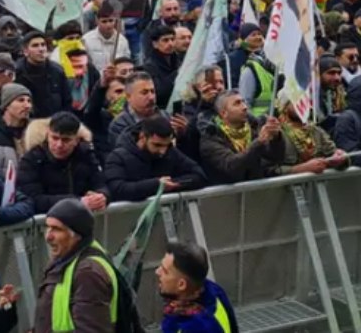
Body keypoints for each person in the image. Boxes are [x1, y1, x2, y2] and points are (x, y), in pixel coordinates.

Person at [34, 199, 136, 333]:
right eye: (47, 227)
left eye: (57, 229)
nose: (48, 236)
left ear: (77, 235)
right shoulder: (67, 259)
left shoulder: (87, 273)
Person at [18, 112, 109, 212]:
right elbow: (33, 199)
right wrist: (77, 202)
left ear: (76, 140)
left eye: (66, 140)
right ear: (47, 135)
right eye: (54, 138)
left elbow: (101, 183)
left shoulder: (86, 155)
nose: (59, 145)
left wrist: (101, 196)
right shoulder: (31, 160)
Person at [106, 115, 207, 202]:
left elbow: (198, 175)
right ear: (143, 137)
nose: (162, 151)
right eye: (157, 145)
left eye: (166, 145)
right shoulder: (118, 157)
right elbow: (117, 189)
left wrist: (173, 184)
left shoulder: (170, 152)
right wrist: (155, 185)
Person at [198, 90, 285, 184]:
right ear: (224, 113)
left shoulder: (253, 127)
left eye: (243, 102)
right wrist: (259, 142)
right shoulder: (211, 138)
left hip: (256, 190)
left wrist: (276, 138)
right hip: (227, 195)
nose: (245, 107)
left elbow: (275, 157)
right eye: (237, 104)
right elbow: (232, 167)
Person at [156, 241, 238, 333]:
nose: (157, 272)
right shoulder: (213, 291)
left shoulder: (196, 327)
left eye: (165, 271)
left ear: (181, 285)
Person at [16, 31, 70, 119]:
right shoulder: (17, 73)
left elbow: (67, 101)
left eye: (43, 45)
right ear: (25, 51)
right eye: (35, 45)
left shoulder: (57, 71)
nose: (41, 49)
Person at [82, 6, 130, 73]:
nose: (108, 25)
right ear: (97, 21)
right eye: (104, 21)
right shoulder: (86, 40)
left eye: (111, 20)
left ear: (115, 20)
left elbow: (126, 63)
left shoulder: (122, 41)